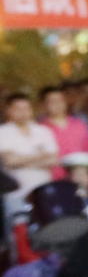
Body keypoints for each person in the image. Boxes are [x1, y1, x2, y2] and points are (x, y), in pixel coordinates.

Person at [0, 92, 60, 224]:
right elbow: (9, 161)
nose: (23, 112)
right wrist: (40, 155)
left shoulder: (44, 131)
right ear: (9, 111)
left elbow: (54, 159)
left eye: (26, 108)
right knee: (20, 232)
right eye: (18, 109)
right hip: (16, 193)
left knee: (48, 228)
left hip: (44, 190)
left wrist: (21, 159)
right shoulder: (3, 132)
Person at [38, 86, 88, 181]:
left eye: (60, 100)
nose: (58, 105)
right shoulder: (40, 129)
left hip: (80, 176)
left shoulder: (79, 125)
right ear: (44, 104)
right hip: (53, 178)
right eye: (53, 102)